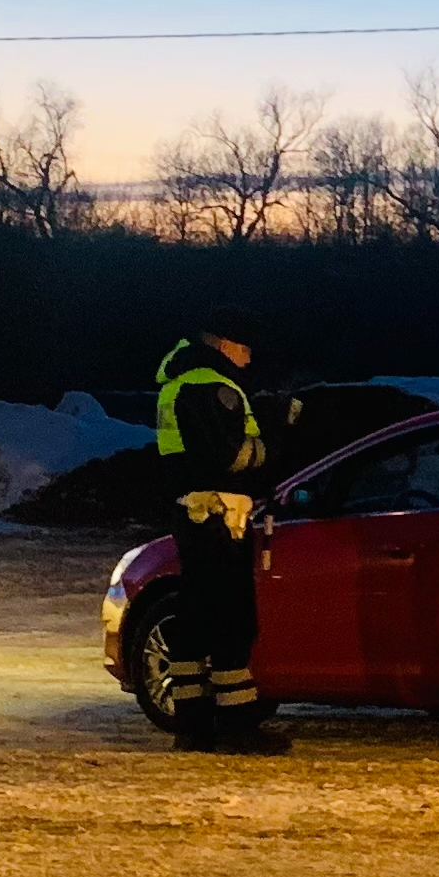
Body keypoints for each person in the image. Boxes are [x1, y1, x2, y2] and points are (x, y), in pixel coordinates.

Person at [152, 310, 289, 755]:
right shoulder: (212, 386)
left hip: (192, 512)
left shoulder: (179, 383)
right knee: (233, 618)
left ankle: (193, 725)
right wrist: (277, 432)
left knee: (195, 616)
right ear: (226, 344)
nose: (249, 360)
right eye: (246, 349)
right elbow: (232, 458)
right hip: (219, 514)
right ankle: (237, 726)